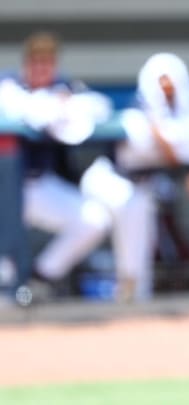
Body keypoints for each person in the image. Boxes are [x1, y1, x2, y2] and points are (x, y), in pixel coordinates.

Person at [80, 52, 189, 301]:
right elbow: (173, 151)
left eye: (172, 83)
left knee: (150, 208)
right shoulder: (136, 115)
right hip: (110, 179)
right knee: (130, 206)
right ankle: (131, 291)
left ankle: (139, 292)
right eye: (161, 83)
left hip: (150, 185)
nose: (167, 89)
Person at [0, 32, 114, 304]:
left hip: (36, 186)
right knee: (4, 273)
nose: (41, 69)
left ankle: (41, 277)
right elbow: (25, 108)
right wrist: (54, 106)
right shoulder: (9, 85)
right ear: (26, 64)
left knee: (94, 219)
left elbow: (101, 107)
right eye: (35, 63)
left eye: (47, 63)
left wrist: (67, 102)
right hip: (4, 191)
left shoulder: (63, 87)